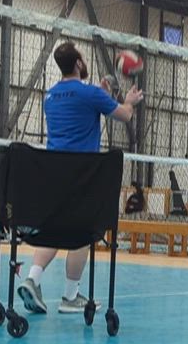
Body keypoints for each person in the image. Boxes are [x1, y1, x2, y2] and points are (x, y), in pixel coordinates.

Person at [16, 42, 142, 315]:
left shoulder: (50, 96)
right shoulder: (89, 93)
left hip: (52, 175)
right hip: (81, 178)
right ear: (78, 64)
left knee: (54, 230)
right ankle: (70, 296)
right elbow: (124, 115)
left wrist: (102, 94)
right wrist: (129, 101)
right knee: (82, 233)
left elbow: (79, 113)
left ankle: (32, 279)